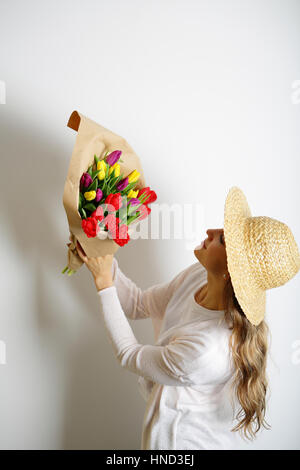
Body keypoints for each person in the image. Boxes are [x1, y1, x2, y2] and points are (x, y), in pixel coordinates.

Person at [74, 186, 300, 450]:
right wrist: (102, 252)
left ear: (231, 271)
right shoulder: (198, 275)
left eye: (223, 239)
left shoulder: (209, 349)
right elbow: (138, 303)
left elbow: (128, 354)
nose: (210, 232)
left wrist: (103, 281)